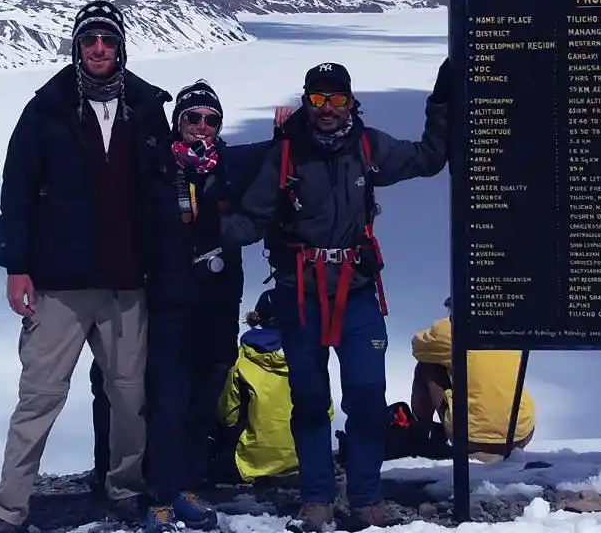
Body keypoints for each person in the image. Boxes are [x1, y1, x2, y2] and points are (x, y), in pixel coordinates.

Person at [221, 59, 451, 531]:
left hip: (357, 295)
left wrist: (442, 101)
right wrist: (202, 233)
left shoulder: (368, 147)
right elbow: (254, 217)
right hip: (299, 296)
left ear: (351, 102)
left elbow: (428, 158)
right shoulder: (285, 156)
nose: (328, 109)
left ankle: (366, 498)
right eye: (319, 99)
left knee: (367, 398)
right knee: (308, 400)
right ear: (306, 101)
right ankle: (317, 499)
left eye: (337, 99)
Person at [0, 0, 178, 533]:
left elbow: (164, 191)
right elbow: (17, 192)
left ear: (120, 47)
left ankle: (123, 489)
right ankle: (8, 507)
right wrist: (16, 266)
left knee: (130, 398)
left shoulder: (144, 107)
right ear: (76, 45)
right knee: (39, 397)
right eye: (89, 39)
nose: (97, 49)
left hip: (125, 281)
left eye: (107, 40)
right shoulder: (46, 109)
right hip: (59, 283)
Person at [90, 81, 274, 532]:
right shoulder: (155, 168)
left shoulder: (230, 165)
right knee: (167, 400)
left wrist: (290, 128)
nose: (202, 128)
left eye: (212, 120)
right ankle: (159, 494)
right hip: (168, 303)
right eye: (193, 118)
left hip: (218, 304)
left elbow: (282, 151)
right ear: (178, 123)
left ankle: (188, 486)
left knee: (203, 398)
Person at [409, 300, 536, 463]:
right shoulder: (508, 327)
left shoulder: (449, 330)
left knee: (427, 365)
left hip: (470, 436)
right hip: (520, 433)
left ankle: (421, 435)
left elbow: (417, 347)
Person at [214, 289, 319, 484]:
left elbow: (228, 416)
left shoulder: (243, 358)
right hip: (303, 460)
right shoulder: (309, 356)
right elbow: (326, 412)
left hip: (252, 465)